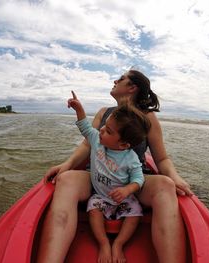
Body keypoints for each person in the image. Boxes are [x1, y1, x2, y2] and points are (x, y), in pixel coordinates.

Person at [37, 69, 193, 263]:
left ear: (132, 87)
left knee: (166, 186)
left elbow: (161, 160)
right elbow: (88, 144)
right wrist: (67, 164)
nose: (114, 80)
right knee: (65, 179)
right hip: (97, 177)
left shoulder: (147, 118)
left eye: (120, 79)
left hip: (133, 183)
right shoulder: (104, 113)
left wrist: (174, 177)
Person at [67, 90, 151, 262]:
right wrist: (79, 108)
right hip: (101, 196)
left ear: (123, 144)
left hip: (123, 199)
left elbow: (138, 179)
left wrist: (128, 190)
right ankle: (104, 243)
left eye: (109, 131)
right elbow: (85, 127)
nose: (102, 130)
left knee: (136, 213)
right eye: (105, 126)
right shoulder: (97, 139)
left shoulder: (131, 158)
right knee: (94, 209)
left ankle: (118, 244)